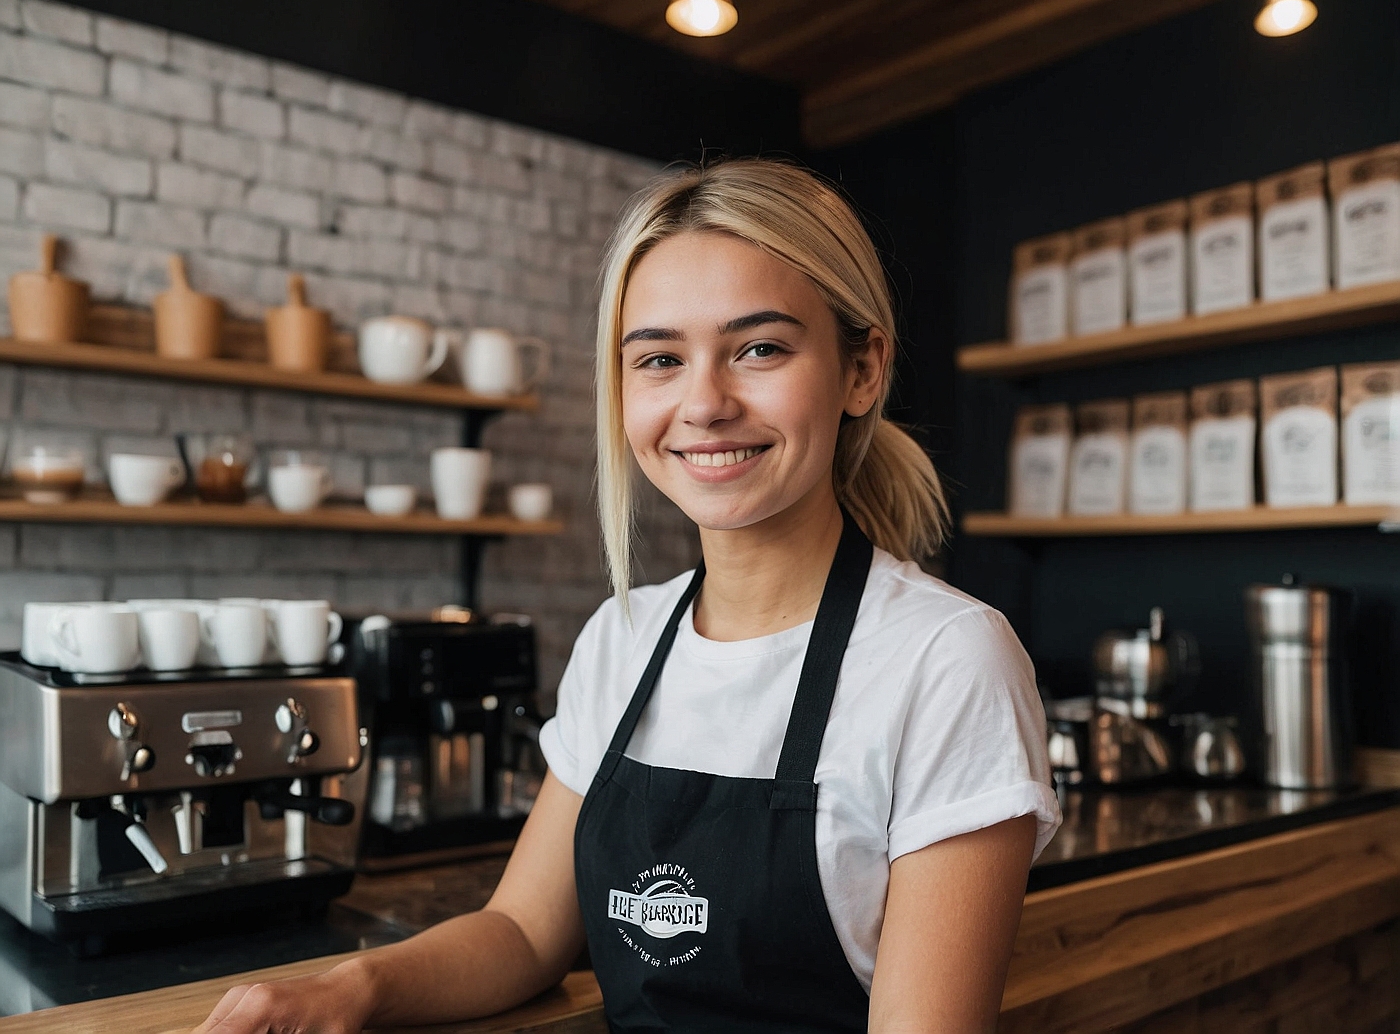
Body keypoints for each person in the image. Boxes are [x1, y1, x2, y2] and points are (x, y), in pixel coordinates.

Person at [195, 159, 1059, 1034]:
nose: (704, 403)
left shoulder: (946, 660)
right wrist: (352, 989)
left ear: (863, 369)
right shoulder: (626, 636)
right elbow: (524, 931)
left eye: (759, 348)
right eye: (659, 359)